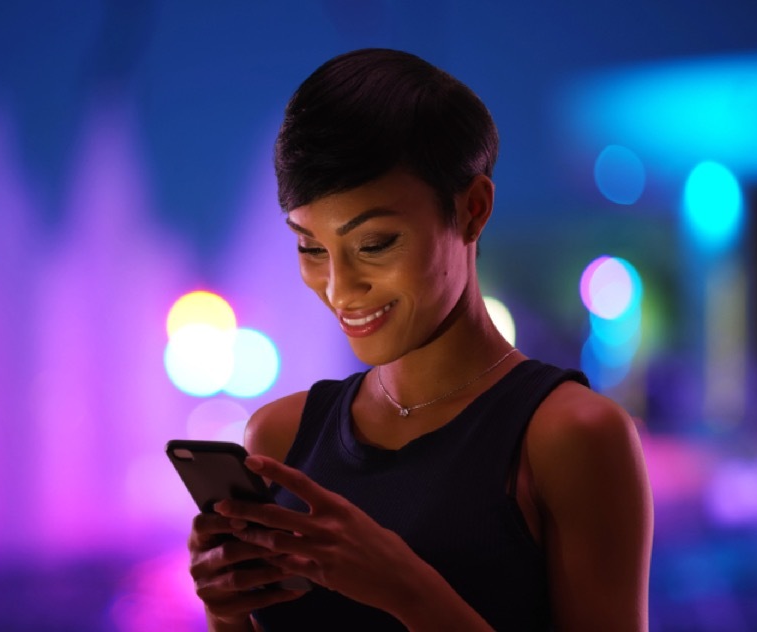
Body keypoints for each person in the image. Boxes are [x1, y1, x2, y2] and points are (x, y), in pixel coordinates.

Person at [187, 48, 653, 631]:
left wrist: (405, 589)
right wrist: (224, 608)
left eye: (375, 242)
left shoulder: (569, 437)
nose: (339, 288)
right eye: (311, 248)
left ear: (473, 210)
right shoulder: (280, 441)